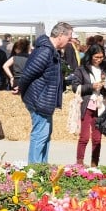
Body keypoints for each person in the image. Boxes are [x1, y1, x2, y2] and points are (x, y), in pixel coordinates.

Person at [17, 22, 72, 164]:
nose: (69, 41)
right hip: (39, 100)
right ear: (60, 35)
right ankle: (35, 171)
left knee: (45, 136)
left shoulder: (51, 51)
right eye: (69, 37)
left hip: (44, 101)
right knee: (40, 136)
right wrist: (21, 89)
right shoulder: (45, 51)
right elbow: (28, 74)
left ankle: (42, 168)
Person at [74, 44, 106, 166]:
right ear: (91, 56)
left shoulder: (105, 69)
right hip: (88, 104)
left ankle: (95, 163)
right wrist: (91, 86)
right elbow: (75, 86)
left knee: (97, 138)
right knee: (84, 137)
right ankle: (79, 163)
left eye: (101, 57)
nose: (99, 60)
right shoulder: (81, 69)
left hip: (101, 105)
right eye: (96, 57)